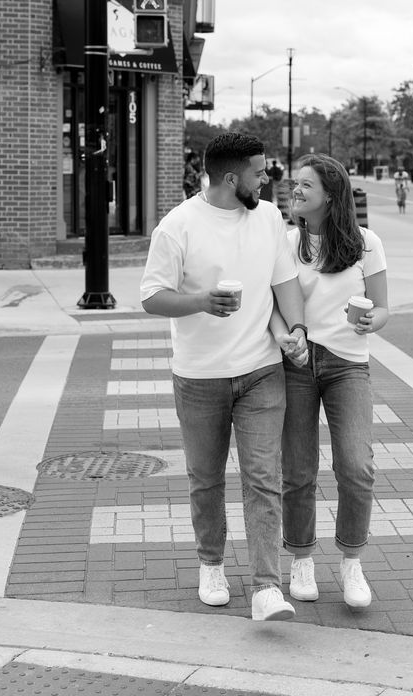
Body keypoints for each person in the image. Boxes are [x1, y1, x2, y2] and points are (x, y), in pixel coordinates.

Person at [140, 132, 308, 622]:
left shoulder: (270, 218)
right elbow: (152, 296)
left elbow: (285, 281)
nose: (267, 178)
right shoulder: (178, 227)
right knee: (206, 479)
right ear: (232, 178)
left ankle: (265, 588)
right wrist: (201, 301)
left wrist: (295, 328)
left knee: (263, 478)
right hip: (199, 375)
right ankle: (210, 563)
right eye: (259, 171)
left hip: (261, 370)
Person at [270, 153, 389, 610]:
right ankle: (300, 558)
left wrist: (369, 324)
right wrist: (287, 337)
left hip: (347, 365)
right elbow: (274, 305)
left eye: (305, 186)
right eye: (294, 184)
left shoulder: (366, 242)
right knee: (298, 471)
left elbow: (381, 308)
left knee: (356, 468)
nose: (294, 191)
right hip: (298, 363)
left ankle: (351, 560)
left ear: (331, 195)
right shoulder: (284, 241)